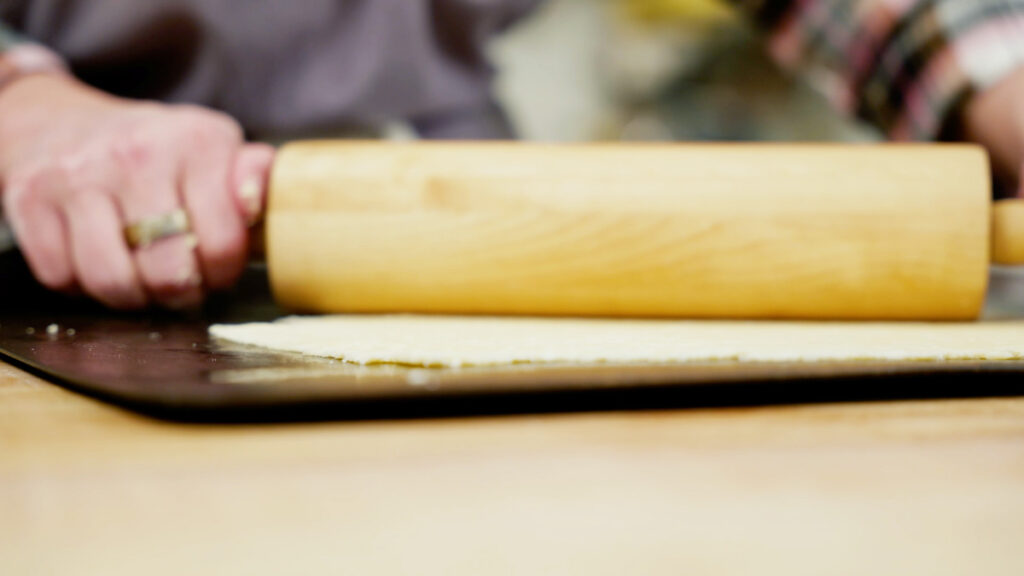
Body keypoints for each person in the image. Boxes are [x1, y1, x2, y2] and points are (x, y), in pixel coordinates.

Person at [0, 0, 1022, 310]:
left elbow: (902, 16)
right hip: (65, 276)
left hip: (459, 251)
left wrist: (1000, 82)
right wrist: (29, 110)